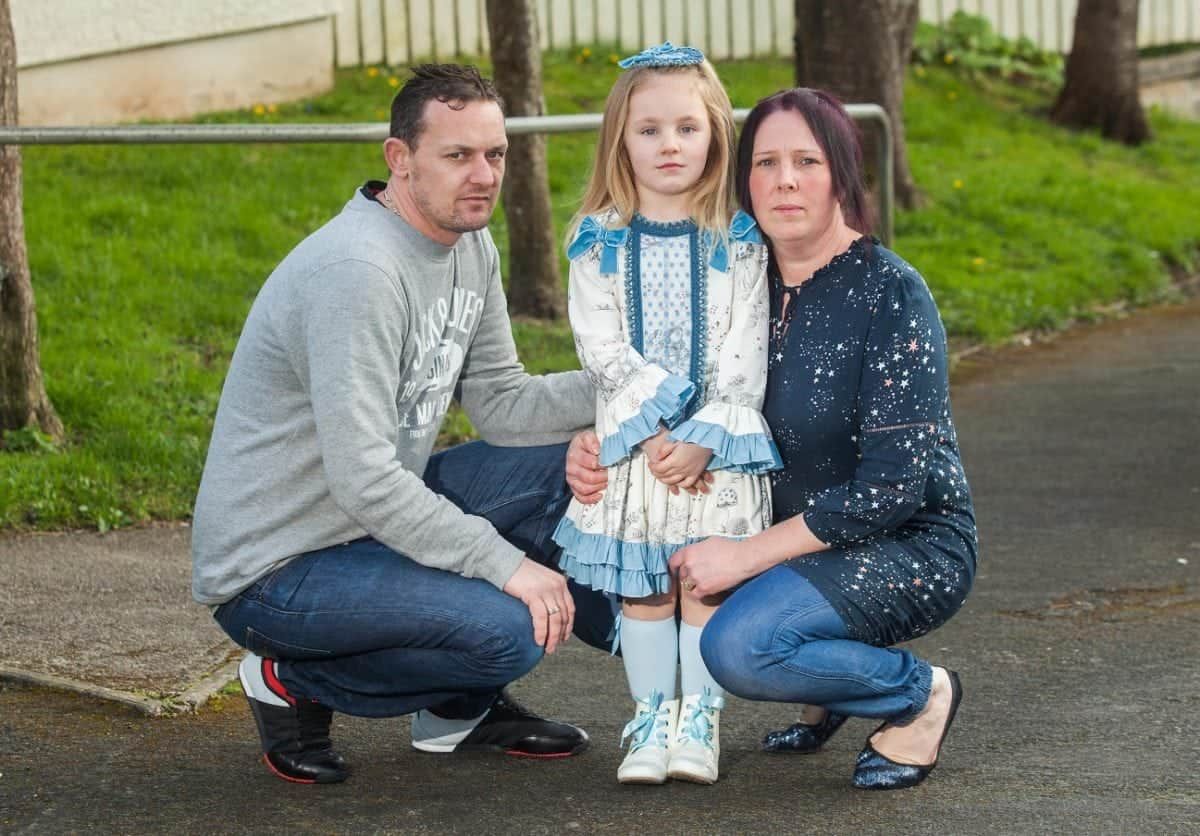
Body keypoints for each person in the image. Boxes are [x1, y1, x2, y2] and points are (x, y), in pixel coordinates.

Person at [191, 64, 616, 785]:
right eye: (457, 156)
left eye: (495, 154)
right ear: (400, 159)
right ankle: (290, 679)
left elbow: (502, 403)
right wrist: (505, 563)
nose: (483, 176)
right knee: (507, 629)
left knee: (570, 472)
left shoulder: (468, 244)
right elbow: (362, 478)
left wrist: (630, 390)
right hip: (279, 566)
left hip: (368, 526)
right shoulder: (357, 272)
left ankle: (460, 711)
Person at [567, 88, 977, 791]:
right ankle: (821, 680)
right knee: (613, 579)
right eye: (766, 163)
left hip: (903, 540)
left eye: (807, 161)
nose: (785, 180)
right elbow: (665, 380)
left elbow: (891, 490)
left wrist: (744, 556)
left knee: (744, 649)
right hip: (778, 531)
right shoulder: (735, 276)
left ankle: (918, 694)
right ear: (742, 178)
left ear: (842, 174)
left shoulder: (889, 293)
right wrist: (600, 434)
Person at [552, 42, 780, 787]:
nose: (669, 145)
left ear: (716, 131)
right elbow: (602, 344)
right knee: (644, 587)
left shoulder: (740, 238)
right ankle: (651, 719)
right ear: (620, 138)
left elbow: (747, 347)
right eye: (649, 130)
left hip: (716, 447)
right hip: (635, 445)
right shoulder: (598, 239)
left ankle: (700, 721)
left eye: (687, 127)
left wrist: (705, 434)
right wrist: (654, 430)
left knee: (701, 582)